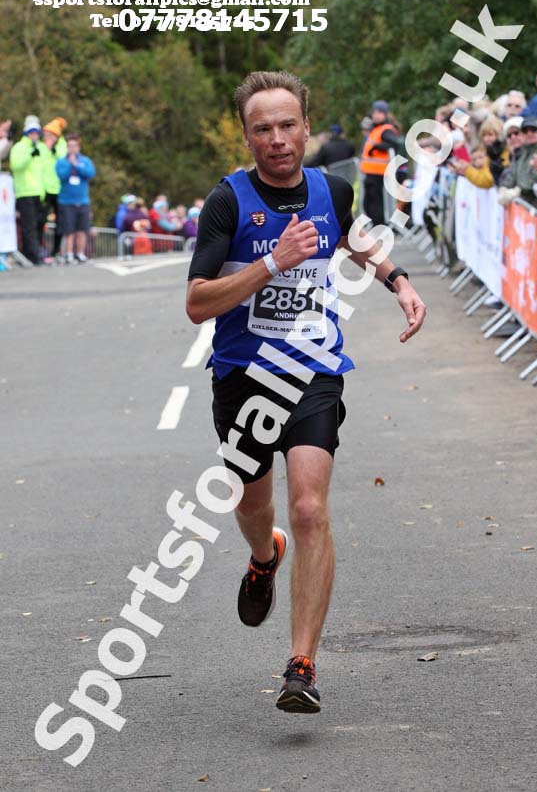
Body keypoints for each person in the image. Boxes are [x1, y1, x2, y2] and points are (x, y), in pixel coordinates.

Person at [186, 70, 426, 714]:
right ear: (247, 137)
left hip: (316, 371)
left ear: (306, 127)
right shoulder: (228, 202)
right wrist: (270, 263)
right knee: (252, 501)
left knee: (311, 506)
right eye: (262, 129)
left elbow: (353, 234)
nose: (277, 139)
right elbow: (196, 304)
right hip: (244, 378)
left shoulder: (330, 188)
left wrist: (397, 279)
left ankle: (302, 666)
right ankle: (264, 559)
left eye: (287, 125)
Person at [9, 115, 48, 265]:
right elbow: (16, 165)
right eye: (32, 133)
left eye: (37, 133)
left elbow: (44, 171)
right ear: (27, 134)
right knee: (28, 226)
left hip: (39, 192)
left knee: (39, 225)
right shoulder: (20, 147)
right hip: (25, 192)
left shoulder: (40, 148)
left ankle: (36, 252)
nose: (35, 136)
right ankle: (32, 255)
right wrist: (29, 155)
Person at [55, 133, 96, 263]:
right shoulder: (61, 162)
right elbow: (62, 176)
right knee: (69, 231)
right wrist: (70, 165)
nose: (72, 148)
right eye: (69, 146)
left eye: (74, 146)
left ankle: (80, 253)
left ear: (78, 147)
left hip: (83, 201)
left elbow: (90, 173)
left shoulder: (85, 161)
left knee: (82, 230)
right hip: (66, 202)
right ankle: (68, 254)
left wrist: (77, 165)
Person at [359, 100, 399, 226]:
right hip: (371, 172)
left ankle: (380, 228)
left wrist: (376, 147)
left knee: (374, 203)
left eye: (380, 112)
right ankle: (379, 227)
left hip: (377, 173)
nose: (376, 115)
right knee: (368, 203)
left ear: (385, 114)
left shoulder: (385, 129)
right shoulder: (376, 129)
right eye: (375, 112)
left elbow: (394, 143)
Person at [500, 116, 537, 211]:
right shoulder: (524, 150)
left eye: (533, 130)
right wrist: (504, 187)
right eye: (525, 130)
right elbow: (514, 173)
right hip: (527, 210)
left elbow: (531, 181)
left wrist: (517, 190)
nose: (529, 133)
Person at [42, 117, 68, 262]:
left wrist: (53, 148)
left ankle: (56, 251)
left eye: (49, 134)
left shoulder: (62, 146)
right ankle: (42, 250)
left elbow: (62, 159)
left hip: (59, 190)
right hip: (45, 189)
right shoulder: (42, 146)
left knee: (60, 222)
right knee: (41, 221)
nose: (46, 137)